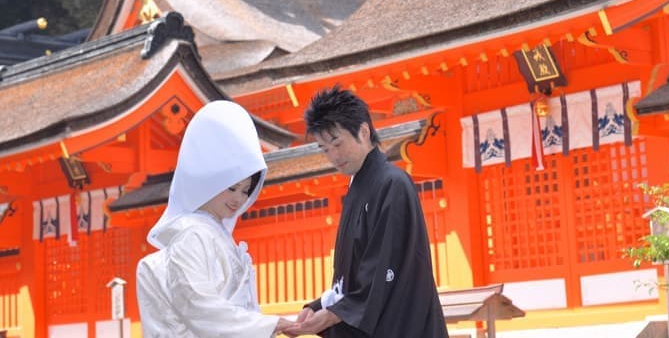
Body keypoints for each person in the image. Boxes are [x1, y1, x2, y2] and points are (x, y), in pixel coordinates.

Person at [290, 86, 449, 338]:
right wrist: (318, 307)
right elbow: (350, 279)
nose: (333, 156)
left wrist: (331, 315)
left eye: (337, 143)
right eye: (324, 149)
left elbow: (383, 273)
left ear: (363, 132)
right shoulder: (357, 188)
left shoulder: (392, 184)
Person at [136, 99, 295, 338]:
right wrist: (267, 325)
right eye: (231, 188)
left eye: (245, 191)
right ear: (208, 181)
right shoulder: (192, 235)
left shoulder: (213, 234)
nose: (238, 199)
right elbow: (197, 304)